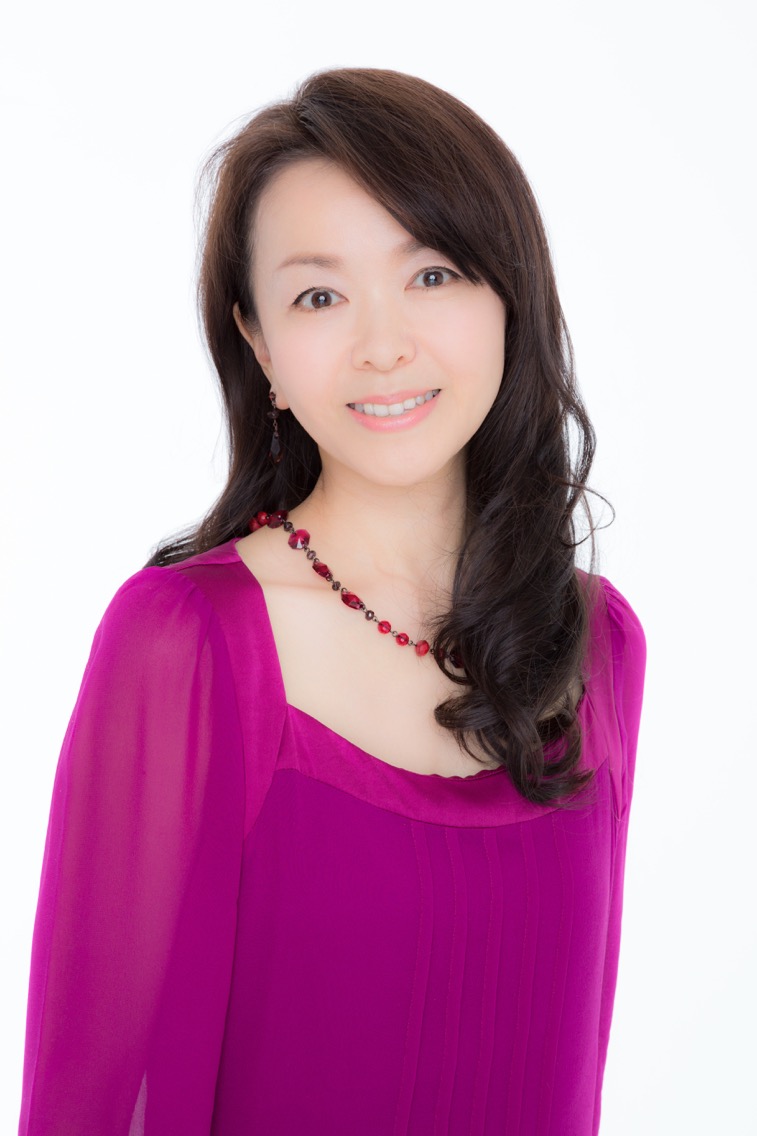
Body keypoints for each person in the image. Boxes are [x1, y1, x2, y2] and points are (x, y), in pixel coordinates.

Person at [18, 68, 645, 1135]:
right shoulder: (188, 642)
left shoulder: (592, 640)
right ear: (261, 346)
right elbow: (101, 1100)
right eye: (319, 296)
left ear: (510, 298)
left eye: (432, 273)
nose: (383, 344)